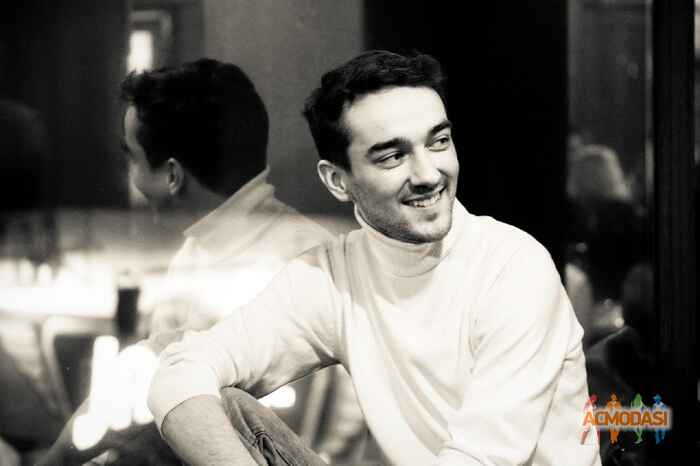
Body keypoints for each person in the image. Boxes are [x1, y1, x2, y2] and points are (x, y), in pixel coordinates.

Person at [148, 51, 601, 465]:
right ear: (337, 181)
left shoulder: (514, 268)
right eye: (392, 156)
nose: (429, 174)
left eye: (439, 142)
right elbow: (180, 372)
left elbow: (482, 460)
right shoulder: (332, 275)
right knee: (224, 407)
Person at [36, 58, 362, 466]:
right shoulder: (206, 249)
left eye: (132, 158)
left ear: (172, 176)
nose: (130, 177)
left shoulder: (293, 266)